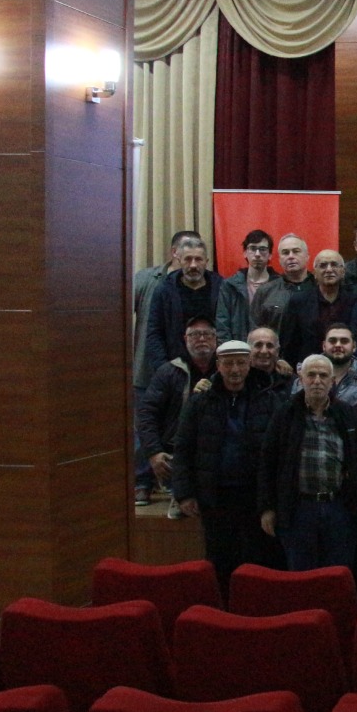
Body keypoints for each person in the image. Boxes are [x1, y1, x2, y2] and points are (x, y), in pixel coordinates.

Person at [170, 339, 283, 594]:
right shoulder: (200, 402)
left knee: (258, 560)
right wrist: (184, 493)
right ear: (218, 365)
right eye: (229, 364)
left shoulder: (269, 400)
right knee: (220, 560)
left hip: (255, 496)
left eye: (241, 363)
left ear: (249, 364)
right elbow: (183, 449)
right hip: (215, 496)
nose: (235, 370)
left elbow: (278, 453)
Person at [258, 354, 357, 572]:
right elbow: (267, 462)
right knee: (301, 576)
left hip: (339, 508)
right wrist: (267, 508)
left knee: (338, 575)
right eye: (311, 375)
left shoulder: (348, 414)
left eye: (323, 376)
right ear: (301, 379)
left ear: (332, 381)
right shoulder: (285, 414)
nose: (317, 381)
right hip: (298, 509)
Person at [138, 316, 219, 517]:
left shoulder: (227, 367)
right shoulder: (169, 372)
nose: (201, 339)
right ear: (185, 339)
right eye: (195, 334)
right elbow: (146, 413)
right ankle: (181, 493)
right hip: (177, 449)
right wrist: (154, 452)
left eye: (207, 334)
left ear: (216, 338)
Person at [134, 229, 200, 392]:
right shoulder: (145, 278)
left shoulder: (205, 283)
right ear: (174, 252)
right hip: (148, 374)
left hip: (191, 375)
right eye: (187, 246)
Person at [144, 238, 222, 374]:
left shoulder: (222, 288)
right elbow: (154, 333)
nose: (193, 265)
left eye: (198, 259)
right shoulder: (164, 290)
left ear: (207, 262)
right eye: (188, 259)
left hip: (216, 369)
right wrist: (164, 369)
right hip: (175, 368)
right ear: (179, 260)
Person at [280, 250, 357, 365]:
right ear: (315, 273)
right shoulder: (298, 302)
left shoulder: (356, 302)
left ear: (343, 272)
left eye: (334, 265)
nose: (329, 269)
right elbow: (289, 342)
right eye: (323, 265)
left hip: (347, 366)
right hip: (309, 367)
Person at [295, 323, 357, 407]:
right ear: (324, 346)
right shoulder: (303, 373)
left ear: (354, 346)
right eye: (332, 341)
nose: (338, 345)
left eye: (344, 341)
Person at [216, 229, 276, 341]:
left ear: (270, 255)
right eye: (252, 248)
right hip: (238, 348)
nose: (257, 254)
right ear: (245, 253)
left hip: (270, 348)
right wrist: (230, 350)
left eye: (262, 249)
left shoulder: (281, 286)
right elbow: (222, 325)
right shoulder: (230, 286)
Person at [250, 234, 315, 335]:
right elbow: (255, 332)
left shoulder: (320, 288)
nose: (291, 256)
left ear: (307, 256)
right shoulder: (265, 292)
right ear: (280, 260)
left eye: (296, 251)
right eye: (285, 253)